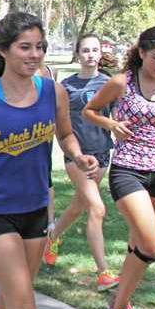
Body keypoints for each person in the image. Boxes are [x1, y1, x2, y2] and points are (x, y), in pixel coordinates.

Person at [0, 12, 99, 309]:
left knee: (9, 304)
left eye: (39, 46)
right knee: (25, 307)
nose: (35, 55)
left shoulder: (52, 91)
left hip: (36, 209)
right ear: (3, 50)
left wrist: (78, 156)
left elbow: (65, 133)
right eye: (25, 47)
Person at [83, 26, 155, 309]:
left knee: (138, 246)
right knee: (151, 245)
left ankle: (119, 305)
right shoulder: (122, 83)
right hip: (128, 169)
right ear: (141, 53)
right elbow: (89, 111)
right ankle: (118, 308)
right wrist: (112, 125)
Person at [42, 34, 120, 291]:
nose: (90, 54)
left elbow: (117, 117)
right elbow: (57, 122)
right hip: (75, 155)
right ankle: (103, 272)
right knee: (96, 208)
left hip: (101, 153)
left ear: (100, 54)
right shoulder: (65, 86)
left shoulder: (108, 84)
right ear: (78, 54)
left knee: (78, 206)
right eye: (85, 50)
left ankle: (52, 237)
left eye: (94, 50)